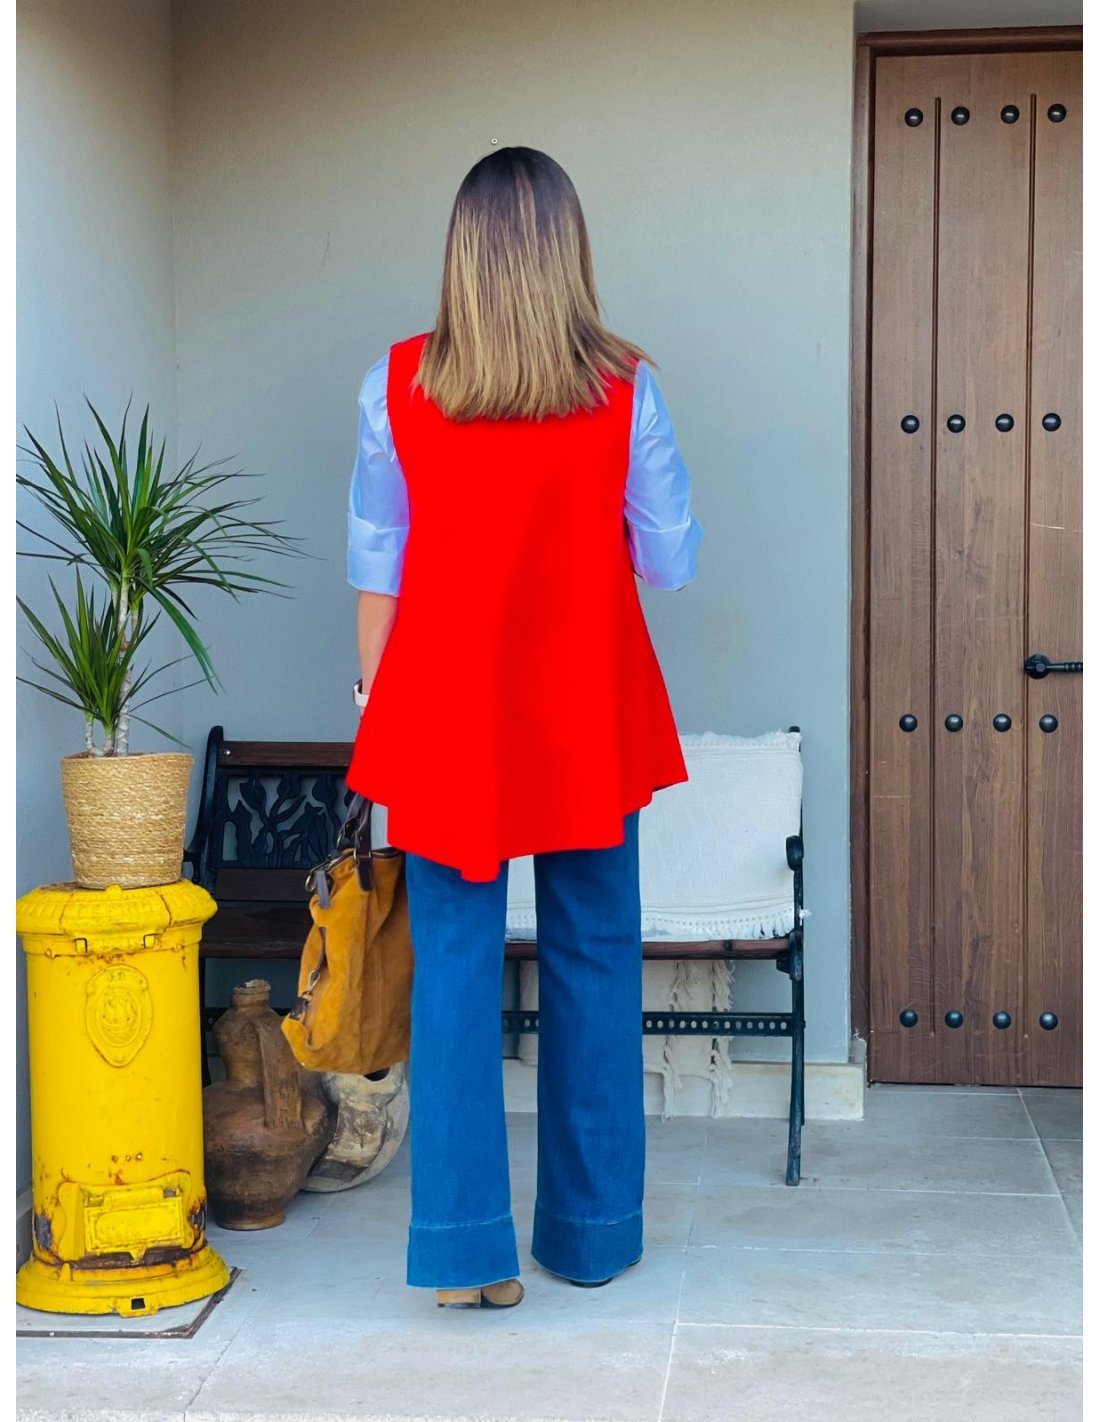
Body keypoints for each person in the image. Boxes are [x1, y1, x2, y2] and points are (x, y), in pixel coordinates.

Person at [345, 146, 701, 1310]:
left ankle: (463, 1256)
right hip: (587, 704)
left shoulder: (397, 380)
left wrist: (373, 707)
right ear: (567, 250)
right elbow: (669, 557)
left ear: (461, 251)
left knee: (451, 962)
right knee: (594, 951)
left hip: (444, 708)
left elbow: (378, 565)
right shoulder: (626, 385)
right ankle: (591, 1236)